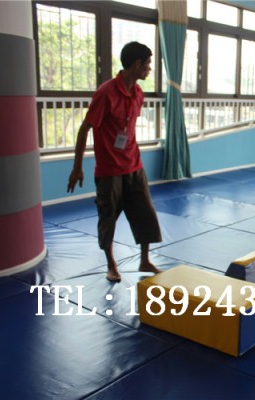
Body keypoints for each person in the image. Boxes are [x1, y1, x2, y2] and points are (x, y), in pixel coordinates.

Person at [67, 41, 162, 283]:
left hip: (134, 165)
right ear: (137, 64)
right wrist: (77, 168)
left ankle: (144, 260)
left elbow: (127, 129)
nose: (150, 68)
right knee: (107, 218)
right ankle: (111, 264)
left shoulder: (138, 93)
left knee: (145, 214)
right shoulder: (105, 93)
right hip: (109, 171)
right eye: (148, 64)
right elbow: (84, 129)